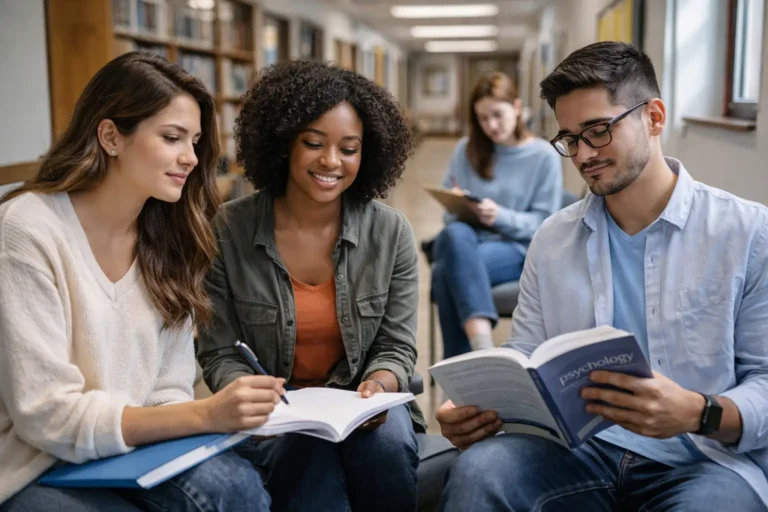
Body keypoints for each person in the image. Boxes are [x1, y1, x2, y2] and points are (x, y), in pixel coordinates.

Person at [436, 41, 768, 511]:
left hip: (702, 461)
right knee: (478, 470)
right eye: (570, 139)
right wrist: (482, 403)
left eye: (597, 130)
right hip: (579, 454)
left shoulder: (748, 232)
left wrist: (699, 411)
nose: (583, 154)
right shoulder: (553, 239)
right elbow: (524, 353)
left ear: (653, 117)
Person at [0, 52, 280, 511]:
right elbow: (45, 415)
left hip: (133, 450)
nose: (190, 158)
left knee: (237, 488)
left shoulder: (171, 235)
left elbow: (168, 388)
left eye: (193, 141)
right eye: (172, 138)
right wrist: (204, 413)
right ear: (110, 136)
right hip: (38, 462)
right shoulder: (25, 230)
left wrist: (190, 417)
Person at [196, 60, 422, 512]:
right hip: (276, 408)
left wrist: (381, 384)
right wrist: (250, 396)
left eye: (349, 148)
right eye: (313, 143)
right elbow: (220, 350)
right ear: (283, 144)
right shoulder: (229, 229)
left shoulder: (390, 231)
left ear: (368, 153)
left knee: (386, 445)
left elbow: (397, 345)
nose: (331, 162)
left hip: (362, 400)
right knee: (304, 454)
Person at [431, 72, 562, 359]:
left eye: (497, 115)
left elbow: (545, 224)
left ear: (516, 107)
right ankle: (482, 356)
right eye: (482, 118)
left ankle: (464, 370)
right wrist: (464, 208)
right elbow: (449, 213)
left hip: (516, 250)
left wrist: (497, 216)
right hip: (465, 242)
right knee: (454, 235)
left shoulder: (544, 156)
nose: (490, 125)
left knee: (443, 272)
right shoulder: (466, 149)